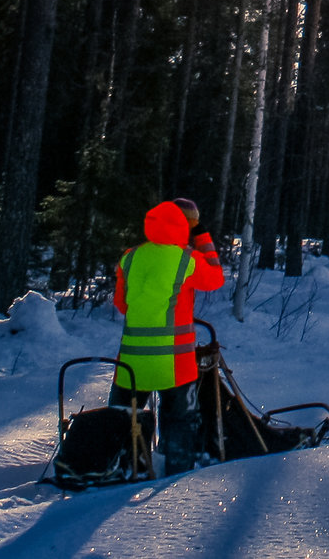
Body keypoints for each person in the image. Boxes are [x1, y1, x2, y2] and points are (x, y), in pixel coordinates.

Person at [111, 197, 224, 474]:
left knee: (124, 422)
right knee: (179, 422)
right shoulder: (186, 258)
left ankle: (125, 471)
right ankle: (177, 477)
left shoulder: (130, 256)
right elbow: (216, 278)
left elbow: (122, 304)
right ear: (187, 227)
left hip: (131, 363)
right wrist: (203, 238)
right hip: (175, 363)